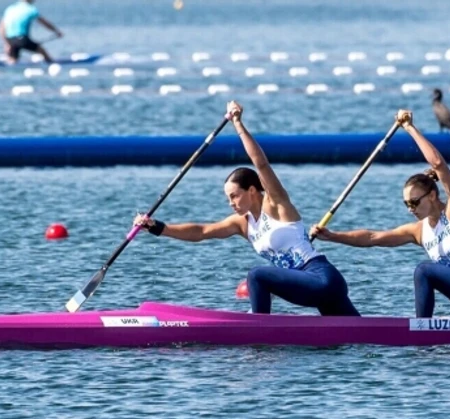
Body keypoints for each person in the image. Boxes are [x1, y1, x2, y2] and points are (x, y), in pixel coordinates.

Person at [134, 101, 360, 317]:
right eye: (228, 199)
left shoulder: (277, 204)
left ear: (252, 190)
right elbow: (201, 232)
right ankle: (261, 323)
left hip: (323, 278)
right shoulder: (242, 223)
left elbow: (260, 163)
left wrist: (237, 124)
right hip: (308, 287)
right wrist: (157, 228)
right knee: (359, 335)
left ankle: (258, 327)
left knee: (257, 275)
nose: (231, 203)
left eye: (234, 196)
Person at [312, 109, 450, 319]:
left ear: (432, 195)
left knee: (424, 270)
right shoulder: (418, 231)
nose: (410, 209)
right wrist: (332, 236)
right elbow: (372, 238)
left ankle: (421, 332)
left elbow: (438, 164)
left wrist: (409, 128)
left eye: (414, 202)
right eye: (406, 204)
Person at [0, 0, 62, 64]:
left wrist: (7, 43)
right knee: (42, 52)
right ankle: (50, 63)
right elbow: (45, 23)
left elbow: (1, 28)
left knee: (12, 60)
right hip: (22, 39)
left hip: (10, 40)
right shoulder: (31, 9)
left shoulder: (10, 9)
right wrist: (57, 31)